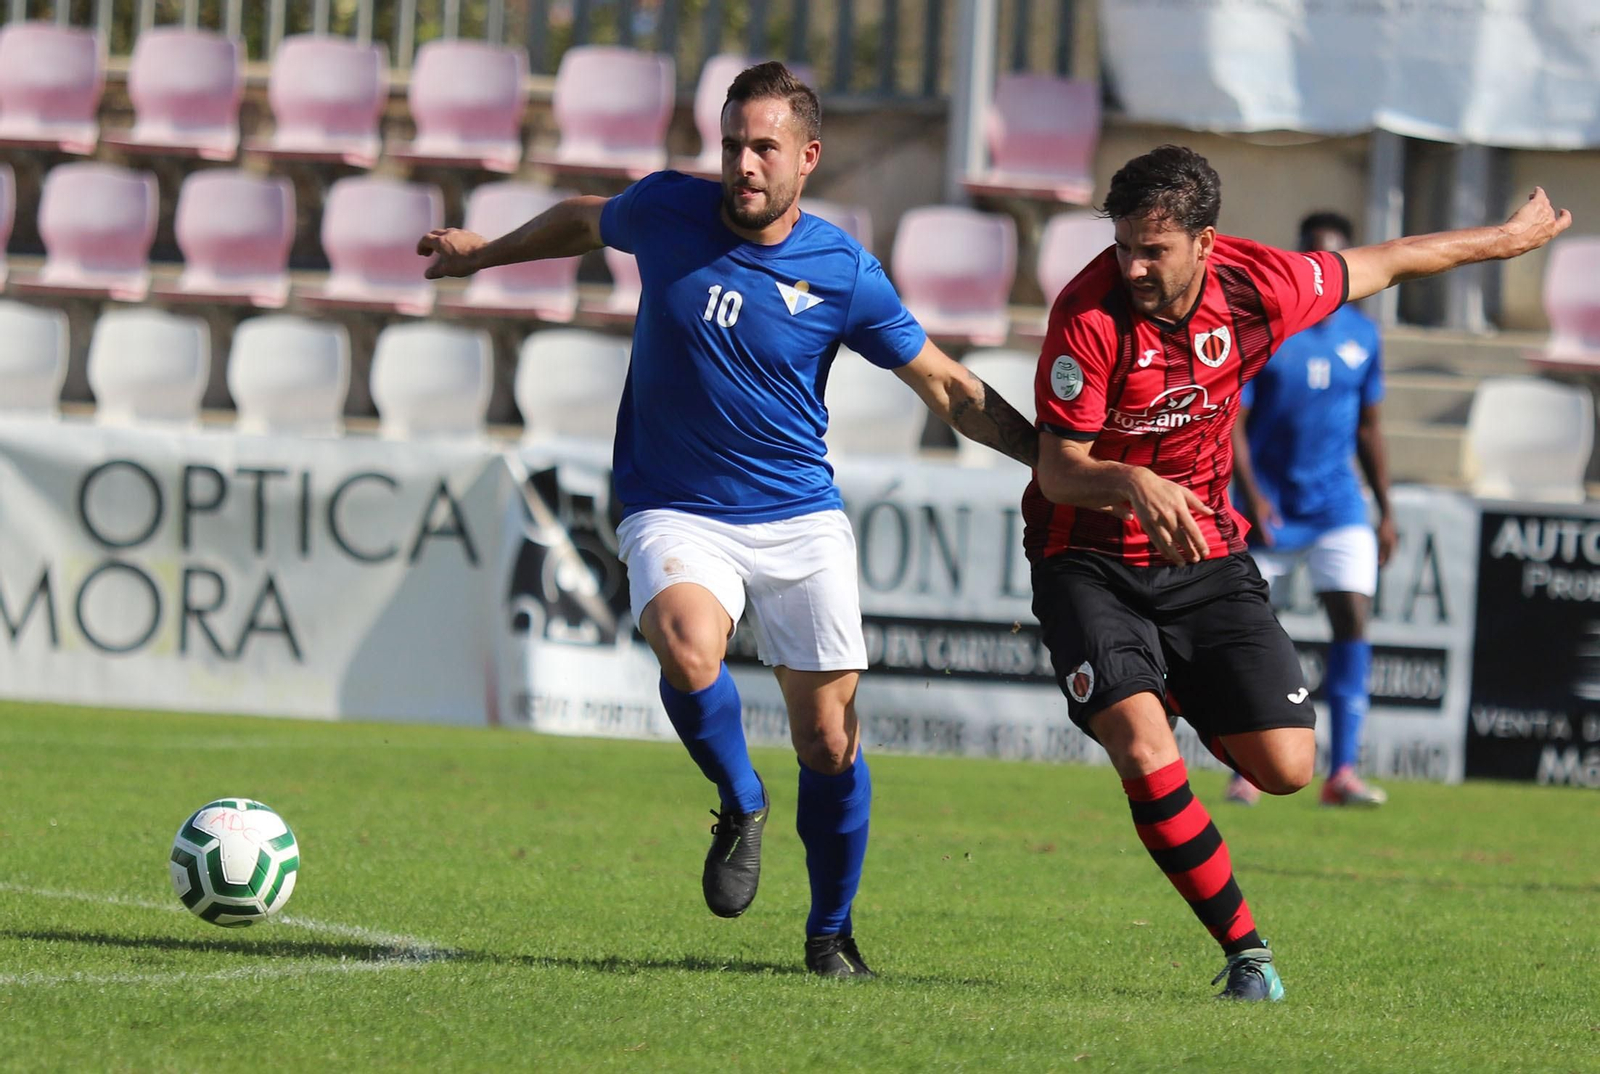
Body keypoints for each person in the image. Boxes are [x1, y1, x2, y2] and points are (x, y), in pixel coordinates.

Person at [417, 62, 1037, 979]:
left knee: (828, 741)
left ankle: (831, 934)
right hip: (675, 504)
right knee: (687, 644)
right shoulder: (668, 208)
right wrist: (483, 255)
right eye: (733, 144)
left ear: (807, 159)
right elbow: (589, 215)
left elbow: (946, 386)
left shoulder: (843, 273)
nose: (743, 164)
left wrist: (1056, 465)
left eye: (764, 148)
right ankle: (742, 800)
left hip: (797, 514)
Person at [1025, 144, 1568, 1001]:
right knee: (1142, 743)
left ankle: (1175, 705)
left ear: (1206, 242)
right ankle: (1248, 953)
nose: (1130, 265)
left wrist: (1498, 243)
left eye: (1152, 249)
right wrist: (1130, 482)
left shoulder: (1258, 284)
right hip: (1086, 560)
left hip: (1206, 554)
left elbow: (1383, 261)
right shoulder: (1087, 315)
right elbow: (1059, 469)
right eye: (1124, 243)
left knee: (1285, 768)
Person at [1228, 211, 1393, 809]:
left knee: (1352, 618)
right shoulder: (1268, 330)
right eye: (1313, 258)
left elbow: (1370, 429)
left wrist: (1386, 510)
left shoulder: (1364, 335)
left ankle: (1342, 771)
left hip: (1338, 506)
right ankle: (1247, 765)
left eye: (1335, 260)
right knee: (1246, 633)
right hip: (1268, 509)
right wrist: (1255, 492)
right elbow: (1234, 424)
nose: (1324, 270)